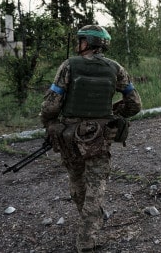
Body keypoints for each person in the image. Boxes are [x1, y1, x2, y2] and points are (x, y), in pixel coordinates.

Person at [39, 25, 142, 252]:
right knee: (96, 185)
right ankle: (87, 236)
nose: (78, 43)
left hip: (69, 135)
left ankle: (89, 225)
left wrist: (49, 123)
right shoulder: (116, 68)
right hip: (98, 136)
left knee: (77, 180)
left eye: (81, 40)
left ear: (87, 42)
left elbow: (51, 104)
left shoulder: (68, 66)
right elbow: (135, 104)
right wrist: (114, 114)